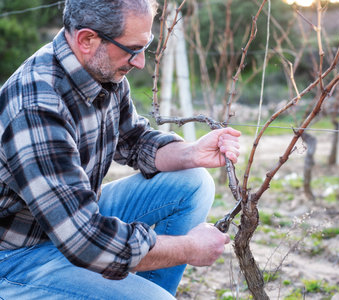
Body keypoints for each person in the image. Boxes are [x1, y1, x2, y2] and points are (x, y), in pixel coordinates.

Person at [0, 0, 240, 299]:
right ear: (87, 39)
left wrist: (191, 153)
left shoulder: (102, 72)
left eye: (145, 46)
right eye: (133, 49)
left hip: (69, 223)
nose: (140, 62)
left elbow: (135, 140)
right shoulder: (36, 105)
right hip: (16, 256)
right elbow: (84, 240)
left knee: (192, 181)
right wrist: (189, 249)